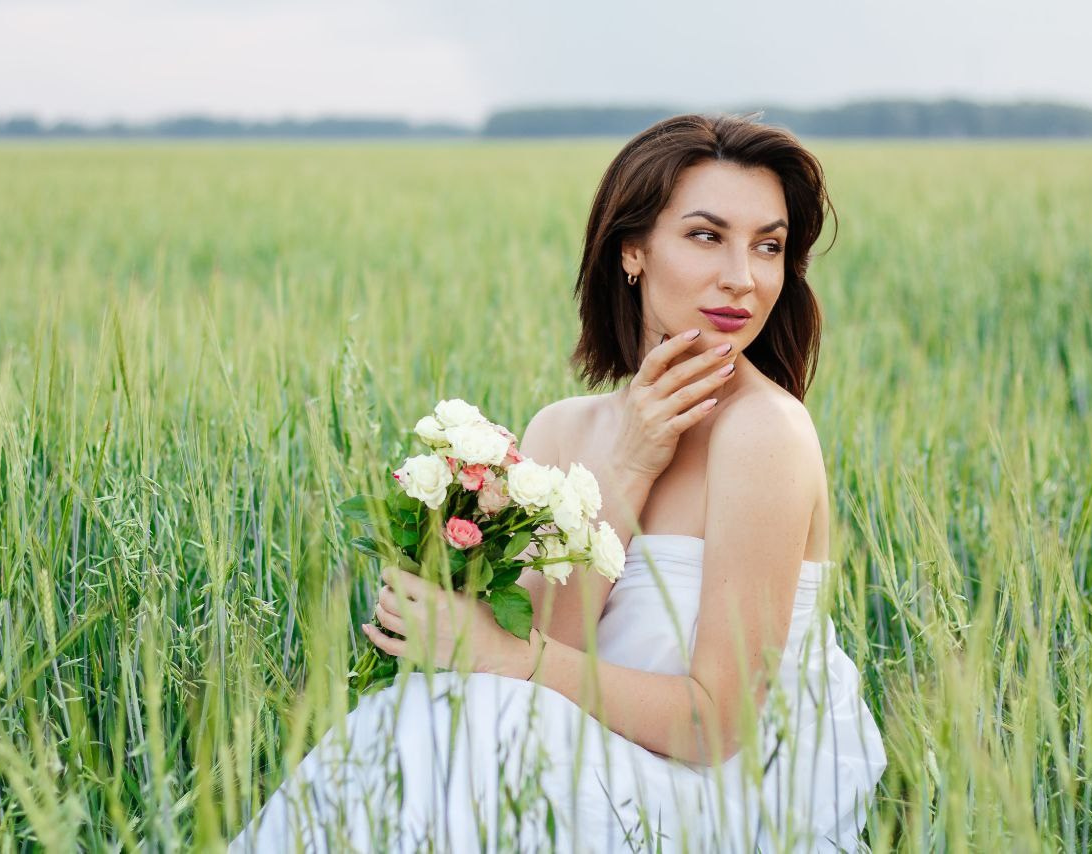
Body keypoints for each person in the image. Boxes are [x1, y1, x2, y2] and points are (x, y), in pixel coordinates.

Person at [229, 113, 888, 852]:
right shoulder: (563, 430)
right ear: (632, 250)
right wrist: (630, 463)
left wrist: (504, 653)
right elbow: (540, 665)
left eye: (768, 246)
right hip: (580, 755)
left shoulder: (764, 434)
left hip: (724, 793)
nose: (744, 276)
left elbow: (714, 726)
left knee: (467, 728)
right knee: (432, 723)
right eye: (707, 236)